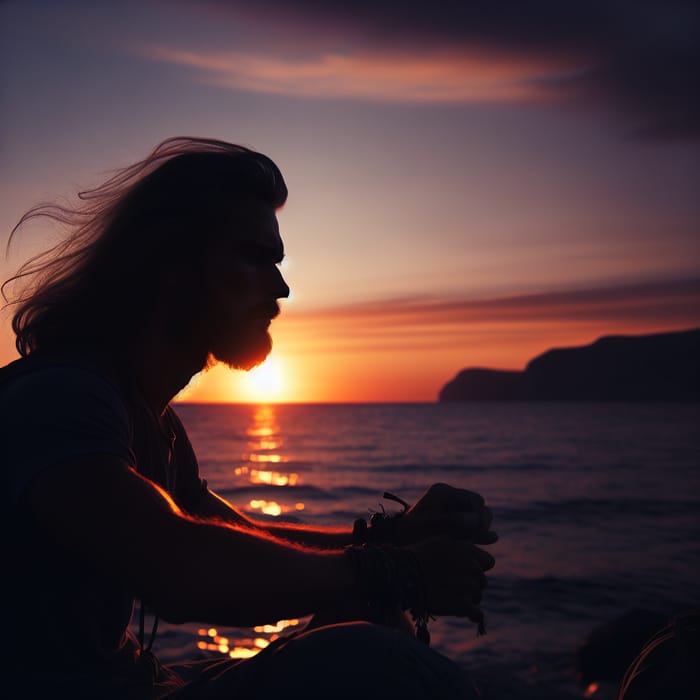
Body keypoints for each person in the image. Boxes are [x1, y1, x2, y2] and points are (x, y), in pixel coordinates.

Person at [0, 137, 498, 699]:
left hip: (140, 684)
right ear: (170, 264)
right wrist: (396, 569)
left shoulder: (150, 419)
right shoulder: (61, 397)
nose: (282, 288)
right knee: (380, 662)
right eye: (257, 258)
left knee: (364, 610)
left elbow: (238, 536)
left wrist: (392, 538)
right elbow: (176, 567)